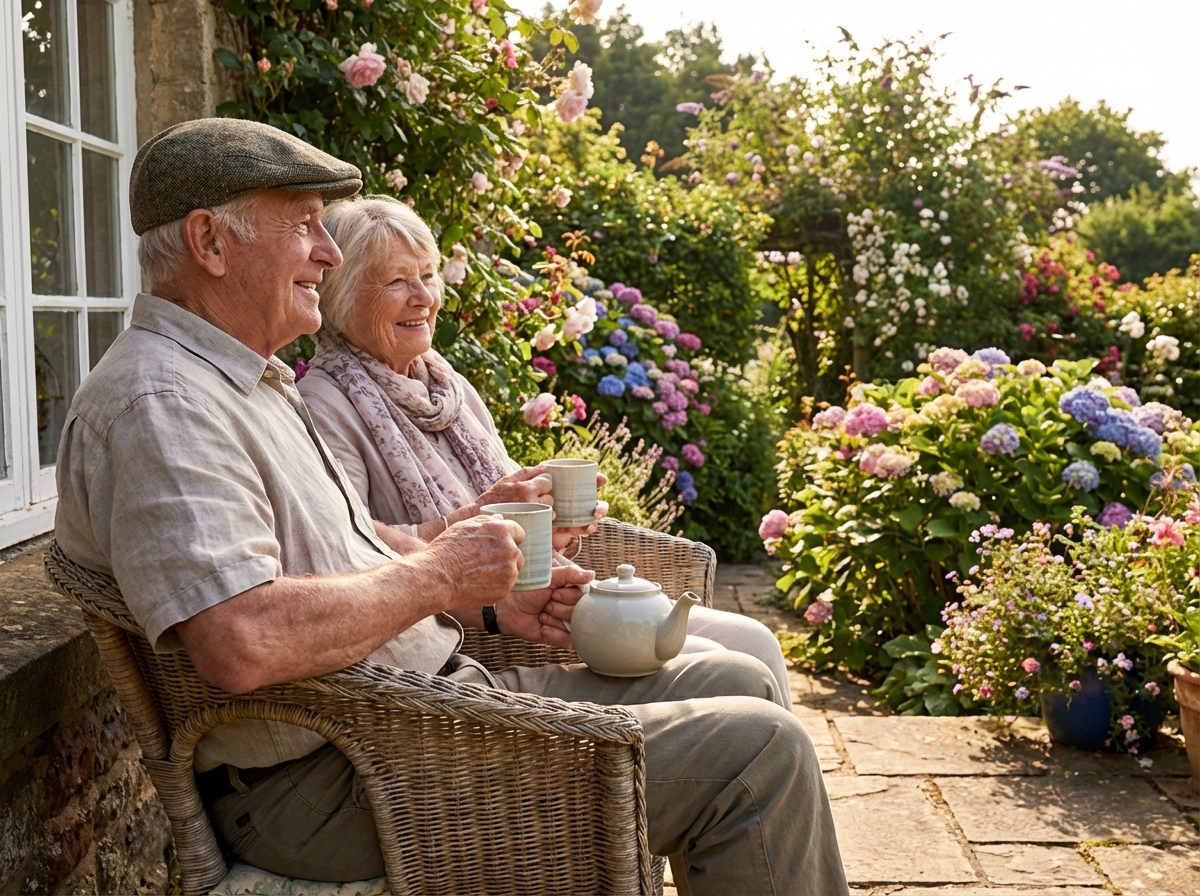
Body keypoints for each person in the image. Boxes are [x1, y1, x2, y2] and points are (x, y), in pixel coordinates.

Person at [53, 118, 847, 895]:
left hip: (419, 713)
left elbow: (355, 549)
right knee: (759, 755)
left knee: (744, 678)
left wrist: (489, 602)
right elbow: (241, 640)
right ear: (210, 241)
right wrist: (440, 575)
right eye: (303, 225)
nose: (328, 251)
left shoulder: (246, 382)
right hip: (337, 775)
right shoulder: (164, 405)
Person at [297, 194, 793, 705]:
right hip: (477, 631)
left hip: (542, 595)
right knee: (729, 668)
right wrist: (479, 518)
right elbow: (350, 552)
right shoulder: (325, 405)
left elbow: (510, 507)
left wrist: (552, 523)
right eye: (397, 281)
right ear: (340, 295)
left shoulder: (446, 386)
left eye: (427, 275)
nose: (423, 296)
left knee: (757, 640)